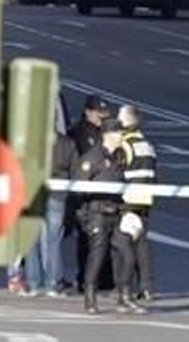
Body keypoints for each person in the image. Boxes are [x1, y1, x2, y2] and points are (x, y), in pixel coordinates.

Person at [74, 117, 140, 314]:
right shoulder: (91, 159)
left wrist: (127, 211)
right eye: (119, 133)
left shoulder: (119, 157)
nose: (122, 137)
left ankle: (124, 297)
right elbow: (78, 191)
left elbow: (120, 187)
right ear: (108, 135)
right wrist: (85, 219)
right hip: (98, 215)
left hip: (116, 214)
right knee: (97, 257)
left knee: (128, 255)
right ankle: (90, 298)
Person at [23, 126, 77, 297]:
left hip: (34, 193)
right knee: (54, 241)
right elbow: (74, 170)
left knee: (31, 241)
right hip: (58, 196)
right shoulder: (67, 143)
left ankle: (33, 283)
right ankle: (52, 283)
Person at [116, 104, 157, 303]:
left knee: (124, 247)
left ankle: (125, 288)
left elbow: (118, 171)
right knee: (142, 247)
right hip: (145, 200)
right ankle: (147, 287)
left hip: (128, 200)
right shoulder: (147, 144)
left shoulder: (124, 144)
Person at [71, 95, 111, 289]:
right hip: (86, 192)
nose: (101, 117)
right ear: (88, 112)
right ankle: (85, 280)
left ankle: (103, 278)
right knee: (87, 239)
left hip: (103, 192)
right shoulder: (79, 132)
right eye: (98, 113)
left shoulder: (105, 132)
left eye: (103, 113)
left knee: (104, 238)